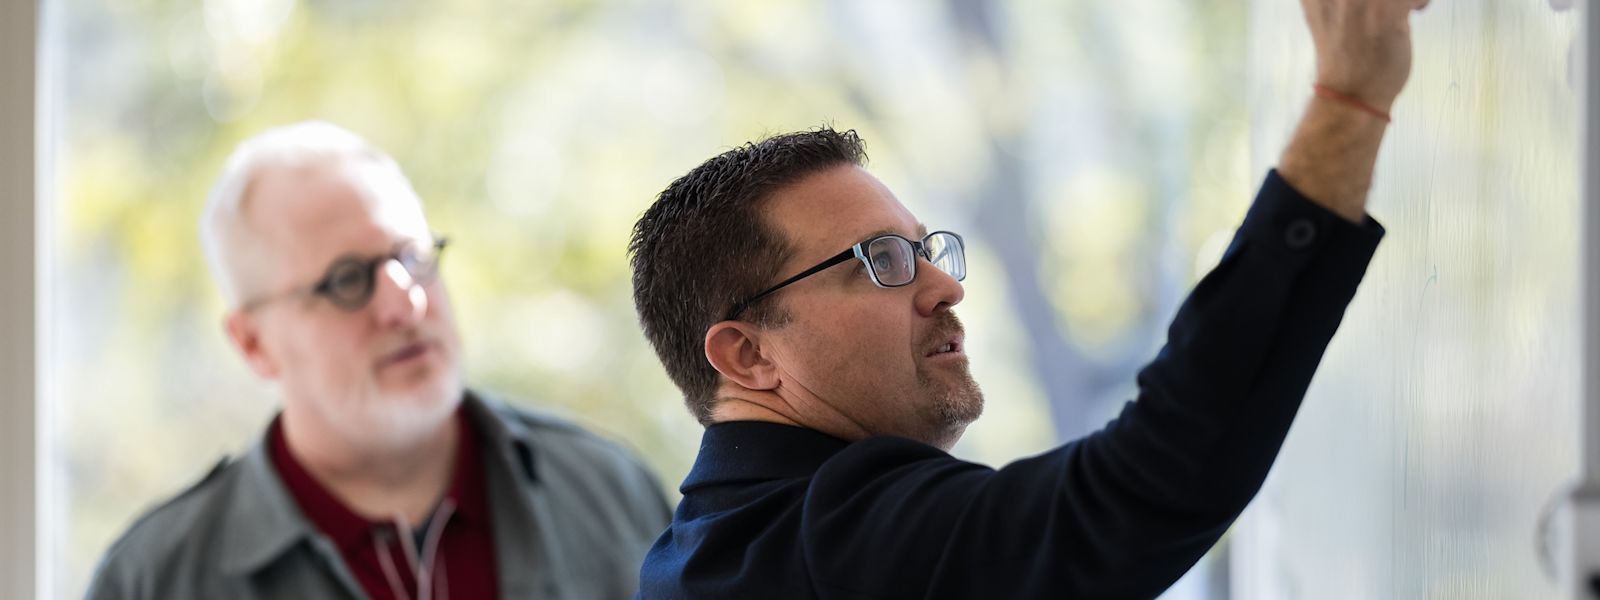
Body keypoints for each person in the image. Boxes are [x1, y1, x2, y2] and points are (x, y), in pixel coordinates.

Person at [627, 0, 1425, 597]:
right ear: (748, 354)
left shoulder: (694, 557)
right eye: (880, 261)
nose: (944, 285)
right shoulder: (829, 539)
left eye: (924, 248)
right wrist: (1348, 100)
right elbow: (1139, 491)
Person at [88, 121, 670, 600]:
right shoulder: (156, 579)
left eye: (412, 257)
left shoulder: (611, 493)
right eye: (347, 280)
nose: (406, 302)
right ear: (253, 344)